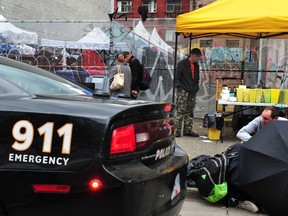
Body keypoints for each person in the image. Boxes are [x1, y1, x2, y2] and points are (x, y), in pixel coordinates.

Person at [175, 48, 201, 137]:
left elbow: (197, 78)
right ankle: (177, 130)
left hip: (192, 91)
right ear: (193, 55)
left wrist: (196, 87)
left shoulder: (196, 66)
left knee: (190, 111)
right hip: (183, 90)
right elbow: (176, 77)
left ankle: (188, 129)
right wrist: (180, 88)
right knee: (180, 110)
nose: (198, 59)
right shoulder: (182, 64)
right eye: (197, 57)